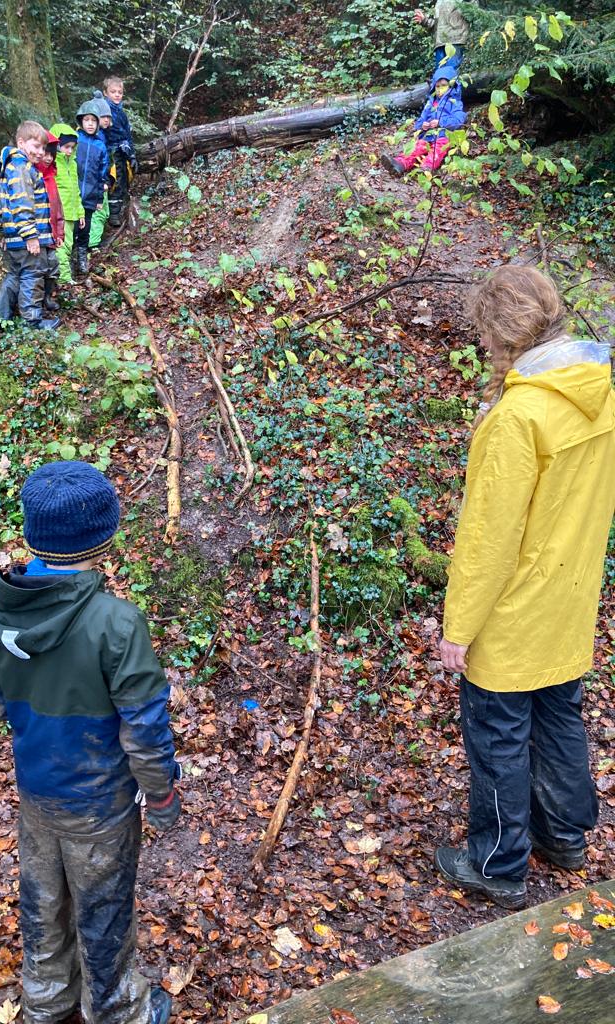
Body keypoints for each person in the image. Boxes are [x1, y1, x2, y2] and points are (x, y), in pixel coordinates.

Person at [0, 460, 180, 1024]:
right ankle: (116, 1010)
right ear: (105, 535)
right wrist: (161, 797)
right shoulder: (117, 623)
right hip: (99, 806)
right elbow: (143, 727)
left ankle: (46, 1000)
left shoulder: (3, 609)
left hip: (37, 793)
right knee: (104, 910)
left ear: (31, 534)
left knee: (42, 903)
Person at [436, 265, 615, 909]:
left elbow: (489, 540)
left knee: (499, 734)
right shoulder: (597, 391)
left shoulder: (518, 419)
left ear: (497, 333)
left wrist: (458, 630)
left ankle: (495, 864)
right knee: (560, 717)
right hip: (568, 604)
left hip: (513, 614)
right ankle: (565, 836)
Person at [0, 121, 60, 331]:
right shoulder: (21, 167)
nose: (40, 153)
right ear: (21, 143)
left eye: (43, 148)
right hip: (27, 237)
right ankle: (32, 321)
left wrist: (5, 230)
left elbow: (2, 205)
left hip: (15, 236)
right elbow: (22, 204)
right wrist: (30, 236)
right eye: (36, 147)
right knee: (32, 275)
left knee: (15, 275)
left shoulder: (11, 167)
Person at [380, 64, 465, 177]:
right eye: (437, 86)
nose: (440, 89)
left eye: (444, 85)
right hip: (427, 135)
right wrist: (422, 125)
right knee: (417, 147)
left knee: (438, 149)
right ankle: (399, 164)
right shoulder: (431, 103)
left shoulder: (455, 102)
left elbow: (458, 120)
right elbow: (420, 121)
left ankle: (426, 168)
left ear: (451, 86)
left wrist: (441, 123)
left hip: (444, 136)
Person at [75, 101, 110, 276]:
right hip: (73, 194)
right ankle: (67, 258)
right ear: (81, 121)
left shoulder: (100, 146)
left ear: (98, 124)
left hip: (89, 194)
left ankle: (82, 257)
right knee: (70, 227)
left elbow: (102, 174)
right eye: (86, 120)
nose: (89, 123)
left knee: (85, 228)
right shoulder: (75, 140)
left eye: (93, 121)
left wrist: (97, 198)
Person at [50, 122, 86, 285]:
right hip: (59, 213)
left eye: (72, 147)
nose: (69, 151)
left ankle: (64, 277)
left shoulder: (72, 162)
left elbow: (76, 190)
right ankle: (64, 278)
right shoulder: (52, 164)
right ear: (57, 145)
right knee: (61, 247)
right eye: (66, 147)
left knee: (68, 245)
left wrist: (80, 212)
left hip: (71, 213)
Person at [102, 76, 138, 228]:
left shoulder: (121, 113)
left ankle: (119, 209)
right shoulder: (105, 111)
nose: (117, 95)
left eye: (120, 92)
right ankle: (113, 215)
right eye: (113, 92)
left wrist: (132, 153)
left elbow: (127, 135)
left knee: (124, 179)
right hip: (111, 153)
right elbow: (111, 134)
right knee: (114, 181)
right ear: (106, 93)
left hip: (122, 152)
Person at [35, 130, 62, 315]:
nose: (48, 158)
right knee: (37, 269)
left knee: (53, 265)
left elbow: (57, 208)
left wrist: (59, 232)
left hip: (51, 233)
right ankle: (35, 305)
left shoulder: (52, 178)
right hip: (35, 235)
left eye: (52, 155)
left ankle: (48, 297)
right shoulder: (31, 176)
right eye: (45, 154)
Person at [414, 0, 469, 72]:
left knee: (452, 74)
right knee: (440, 77)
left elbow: (474, 13)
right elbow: (438, 25)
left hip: (456, 41)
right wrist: (424, 20)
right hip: (440, 43)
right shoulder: (440, 1)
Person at [88, 91, 113, 248]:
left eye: (108, 117)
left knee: (103, 212)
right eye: (104, 117)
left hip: (101, 179)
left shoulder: (103, 135)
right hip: (96, 183)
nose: (107, 120)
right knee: (98, 212)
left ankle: (94, 241)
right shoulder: (94, 138)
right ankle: (93, 244)